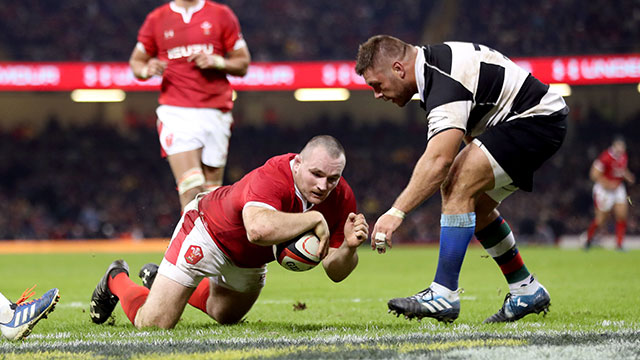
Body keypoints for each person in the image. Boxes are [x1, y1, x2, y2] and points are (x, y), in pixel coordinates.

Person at [355, 35, 568, 323]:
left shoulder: (442, 81)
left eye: (377, 85)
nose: (377, 95)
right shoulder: (437, 68)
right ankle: (525, 289)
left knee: (456, 182)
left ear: (398, 68)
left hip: (534, 120)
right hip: (533, 120)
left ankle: (443, 294)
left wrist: (396, 212)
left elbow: (439, 160)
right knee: (475, 206)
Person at [89, 136, 369, 329]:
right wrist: (313, 218)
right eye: (316, 174)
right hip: (207, 232)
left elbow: (335, 271)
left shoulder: (342, 197)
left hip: (249, 260)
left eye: (333, 178)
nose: (323, 185)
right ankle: (116, 278)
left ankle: (158, 278)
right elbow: (258, 230)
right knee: (153, 325)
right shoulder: (273, 174)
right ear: (297, 163)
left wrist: (349, 248)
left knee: (224, 315)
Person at [129, 0, 251, 210]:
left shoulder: (221, 14)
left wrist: (218, 62)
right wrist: (146, 70)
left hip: (216, 112)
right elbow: (136, 62)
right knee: (192, 189)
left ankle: (204, 243)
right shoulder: (156, 19)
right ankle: (186, 243)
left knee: (211, 198)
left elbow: (242, 63)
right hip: (177, 112)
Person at [584, 136, 635, 251]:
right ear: (614, 146)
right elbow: (593, 174)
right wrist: (606, 183)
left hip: (617, 188)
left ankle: (619, 244)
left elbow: (621, 169)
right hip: (604, 190)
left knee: (622, 215)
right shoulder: (605, 157)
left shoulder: (623, 156)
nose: (621, 150)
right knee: (600, 220)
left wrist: (628, 176)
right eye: (619, 147)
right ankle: (588, 239)